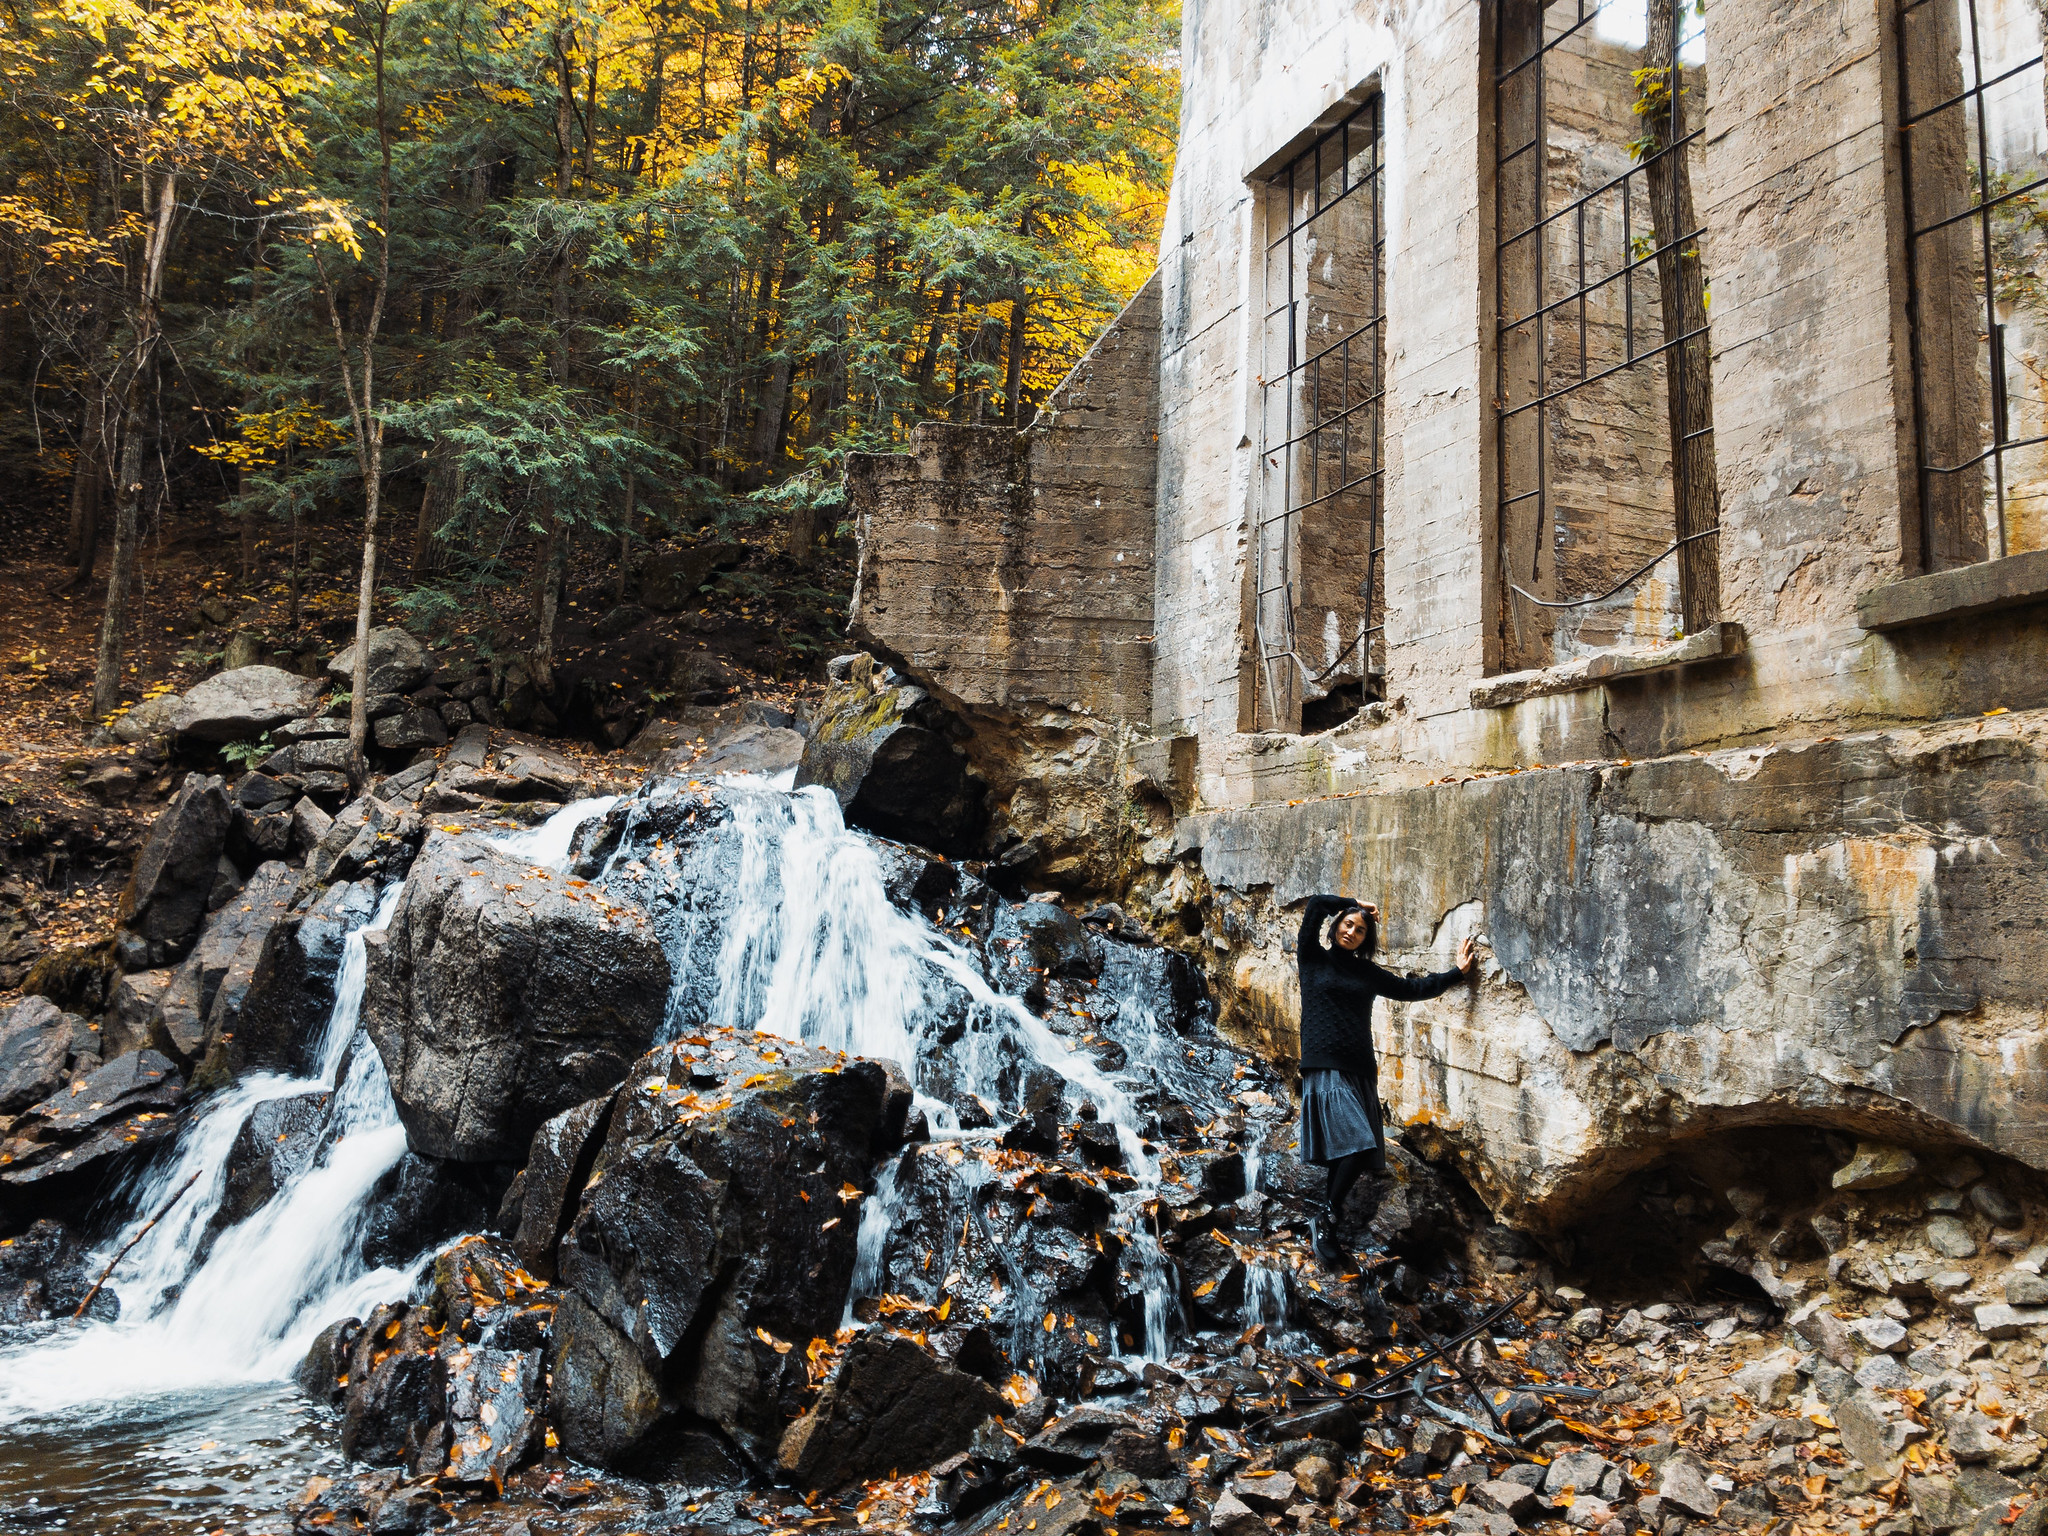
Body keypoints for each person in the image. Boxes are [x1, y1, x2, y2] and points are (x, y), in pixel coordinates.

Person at [1294, 894, 1477, 1268]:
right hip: (1325, 1067)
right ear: (1335, 927)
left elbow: (1411, 990)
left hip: (1360, 1069)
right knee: (1359, 1145)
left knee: (1346, 1153)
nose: (1352, 931)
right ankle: (1327, 1217)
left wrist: (1457, 973)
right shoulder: (1312, 958)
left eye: (1360, 930)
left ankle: (1326, 1226)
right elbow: (1314, 906)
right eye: (1347, 923)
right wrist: (1352, 901)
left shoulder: (1367, 973)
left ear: (1366, 939)